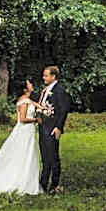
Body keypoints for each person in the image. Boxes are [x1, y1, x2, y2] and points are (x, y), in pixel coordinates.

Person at [37, 65, 71, 194]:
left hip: (52, 128)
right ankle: (43, 183)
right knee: (45, 157)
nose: (43, 78)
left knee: (53, 157)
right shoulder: (46, 90)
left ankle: (54, 185)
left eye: (46, 75)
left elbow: (63, 110)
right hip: (43, 127)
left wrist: (58, 127)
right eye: (44, 75)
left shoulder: (59, 91)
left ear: (53, 76)